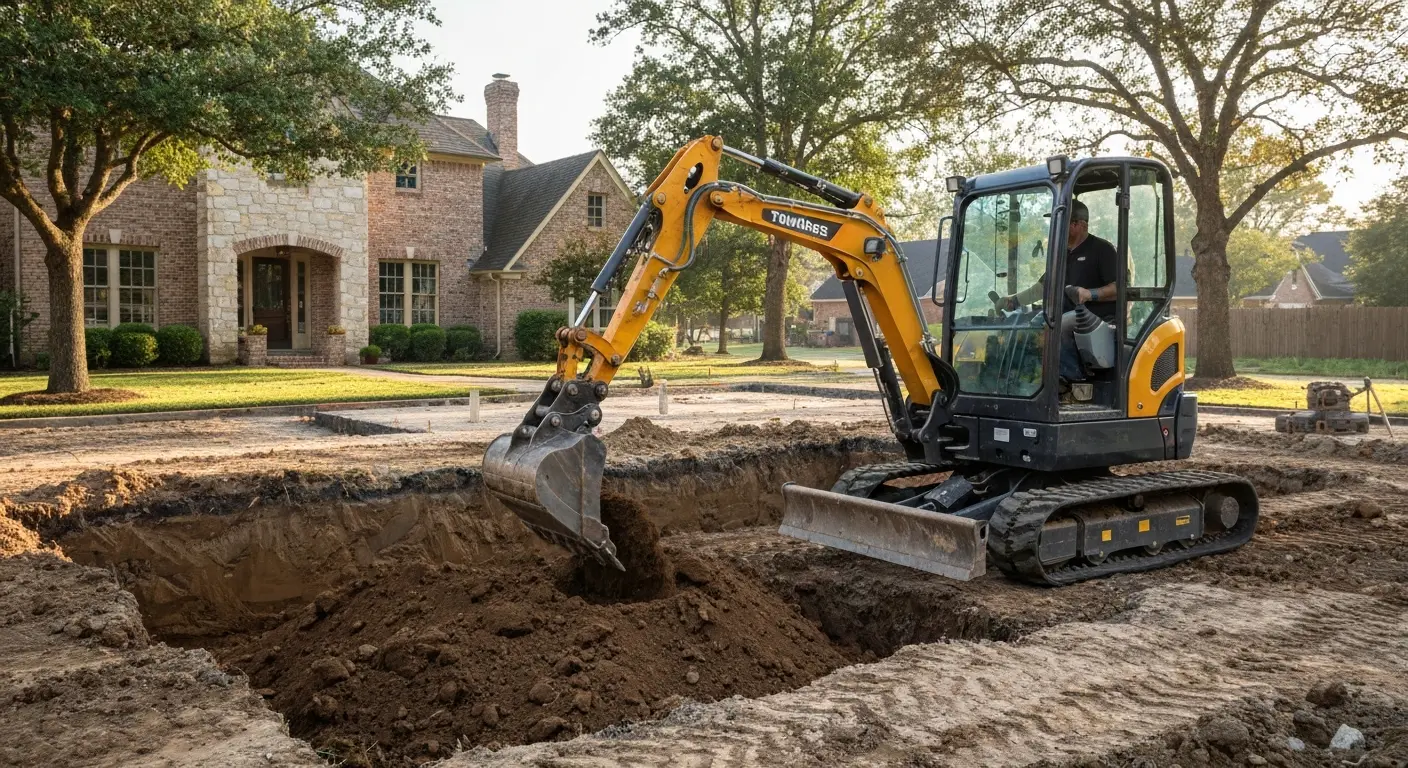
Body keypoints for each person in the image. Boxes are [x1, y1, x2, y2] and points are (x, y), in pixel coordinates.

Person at [996, 199, 1117, 383]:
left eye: (1062, 222)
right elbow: (1043, 287)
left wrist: (1090, 294)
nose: (1055, 228)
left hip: (1095, 316)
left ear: (1079, 225)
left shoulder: (1102, 250)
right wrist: (1013, 301)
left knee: (1057, 326)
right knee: (1030, 327)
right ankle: (1028, 380)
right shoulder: (1060, 254)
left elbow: (1120, 288)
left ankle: (1072, 383)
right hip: (1063, 313)